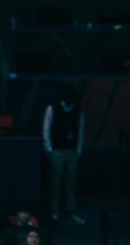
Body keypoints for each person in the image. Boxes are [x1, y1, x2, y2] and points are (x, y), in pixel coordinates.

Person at [42, 83, 85, 225]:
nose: (67, 95)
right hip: (57, 152)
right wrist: (49, 149)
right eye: (64, 92)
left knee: (71, 183)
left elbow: (80, 132)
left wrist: (78, 151)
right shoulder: (52, 108)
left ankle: (70, 211)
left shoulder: (78, 111)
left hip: (72, 152)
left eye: (70, 93)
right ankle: (54, 212)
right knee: (55, 182)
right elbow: (46, 129)